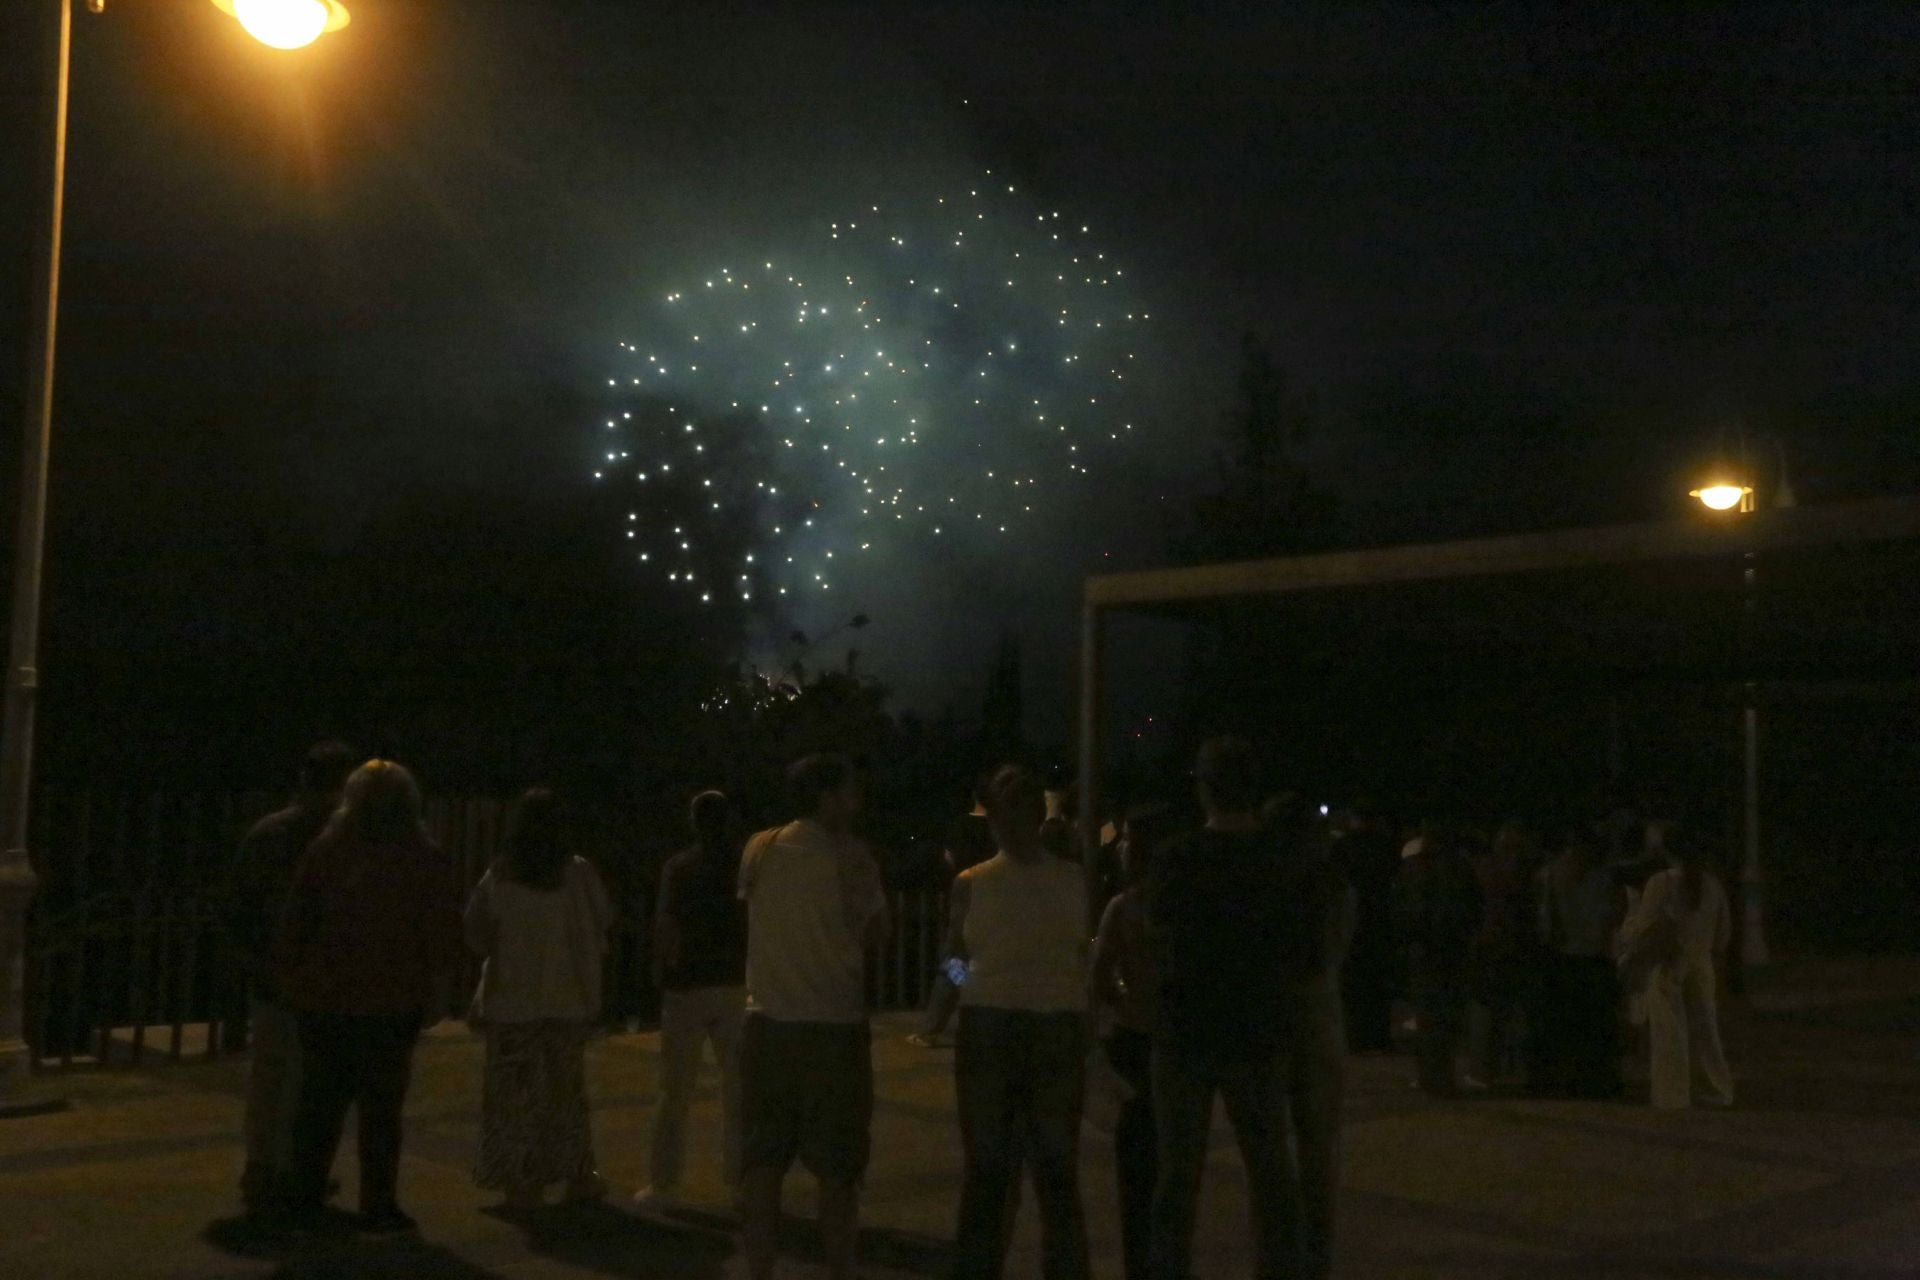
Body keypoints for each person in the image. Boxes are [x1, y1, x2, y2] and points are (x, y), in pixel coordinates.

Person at [1148, 738, 1350, 1280]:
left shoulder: (1177, 858)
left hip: (1186, 1031)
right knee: (1269, 1168)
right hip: (1259, 1031)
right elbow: (1310, 953)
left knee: (1177, 1175)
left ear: (1204, 790)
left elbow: (1157, 941)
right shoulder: (1285, 863)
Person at [274, 760, 462, 1234]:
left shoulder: (328, 851)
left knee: (320, 1101)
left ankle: (305, 1194)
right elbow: (438, 930)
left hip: (328, 996)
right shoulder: (422, 856)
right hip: (393, 999)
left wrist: (294, 976)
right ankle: (378, 1204)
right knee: (382, 1110)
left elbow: (298, 918)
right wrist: (437, 990)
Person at [738, 754, 890, 1280]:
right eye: (849, 791)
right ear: (827, 798)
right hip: (833, 1026)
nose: (857, 800)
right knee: (839, 1168)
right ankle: (840, 1269)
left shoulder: (759, 848)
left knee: (762, 1163)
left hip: (767, 1021)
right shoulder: (852, 857)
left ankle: (759, 1270)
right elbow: (875, 932)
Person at [948, 765, 1092, 1280]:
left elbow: (954, 957)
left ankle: (978, 1267)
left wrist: (965, 987)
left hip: (989, 1019)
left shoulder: (972, 883)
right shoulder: (1075, 880)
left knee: (988, 1169)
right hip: (1055, 1022)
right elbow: (1081, 955)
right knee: (1055, 1168)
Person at [222, 740, 356, 1214]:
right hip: (321, 977)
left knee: (269, 1076)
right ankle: (297, 1171)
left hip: (272, 974)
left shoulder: (267, 834)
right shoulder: (339, 840)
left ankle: (262, 1167)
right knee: (311, 1081)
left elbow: (239, 909)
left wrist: (254, 960)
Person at [465, 788, 615, 1209]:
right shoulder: (578, 873)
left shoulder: (501, 875)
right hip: (568, 1000)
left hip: (513, 1002)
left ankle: (521, 1184)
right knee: (565, 1095)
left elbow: (475, 932)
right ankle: (578, 1175)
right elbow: (603, 918)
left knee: (514, 1099)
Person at [641, 789, 749, 1204]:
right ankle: (739, 1179)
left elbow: (667, 923)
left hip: (688, 984)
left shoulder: (680, 867)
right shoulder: (743, 865)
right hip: (734, 981)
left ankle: (665, 1181)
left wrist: (660, 968)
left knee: (674, 1088)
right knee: (737, 1087)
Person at [1088, 804, 1169, 1280]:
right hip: (1175, 1042)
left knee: (1136, 1163)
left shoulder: (1124, 907)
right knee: (1175, 1159)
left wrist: (1122, 999)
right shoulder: (1184, 906)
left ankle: (1140, 1261)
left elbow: (1098, 977)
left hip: (1135, 1037)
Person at [1619, 838, 1734, 1109]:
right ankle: (1716, 1089)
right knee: (1706, 1030)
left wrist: (1629, 925)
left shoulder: (1661, 882)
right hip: (1702, 964)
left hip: (1667, 963)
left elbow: (1644, 928)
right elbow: (1723, 934)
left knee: (1669, 1032)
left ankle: (1672, 1095)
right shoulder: (1713, 885)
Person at [1532, 828, 1628, 1098]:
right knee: (1595, 1025)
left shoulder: (1551, 873)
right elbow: (1616, 912)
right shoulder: (1604, 876)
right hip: (1594, 957)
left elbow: (1546, 920)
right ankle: (1594, 1080)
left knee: (1567, 1024)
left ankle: (1568, 1079)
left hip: (1566, 956)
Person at [1393, 822, 1484, 1097]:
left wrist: (1408, 941)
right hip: (1451, 949)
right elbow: (1474, 906)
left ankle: (1429, 1075)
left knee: (1427, 1014)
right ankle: (1442, 1075)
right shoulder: (1460, 868)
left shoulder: (1413, 868)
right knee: (1446, 1015)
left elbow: (1401, 907)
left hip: (1423, 949)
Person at [909, 773, 998, 1048]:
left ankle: (933, 1026)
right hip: (996, 902)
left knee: (954, 961)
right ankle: (977, 1004)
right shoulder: (1000, 828)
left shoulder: (960, 826)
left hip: (965, 899)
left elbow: (950, 860)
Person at [1466, 820, 1535, 1087]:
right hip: (1509, 946)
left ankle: (1486, 1068)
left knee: (1487, 1009)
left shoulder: (1486, 870)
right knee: (1508, 1010)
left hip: (1492, 945)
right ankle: (1510, 1068)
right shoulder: (1525, 874)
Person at [1328, 807, 1400, 1054]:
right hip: (1380, 919)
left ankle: (1355, 1036)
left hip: (1354, 919)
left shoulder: (1344, 846)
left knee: (1353, 982)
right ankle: (1378, 1035)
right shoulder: (1386, 846)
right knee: (1378, 982)